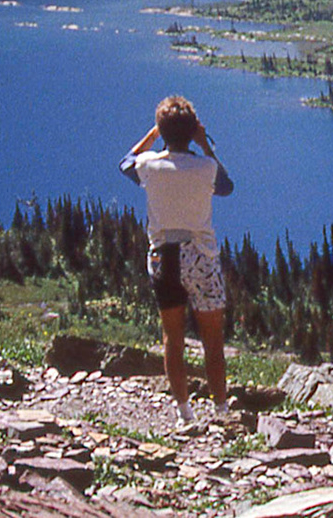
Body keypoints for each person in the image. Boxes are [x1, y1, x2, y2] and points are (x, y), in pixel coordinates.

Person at [120, 95, 235, 424]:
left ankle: (185, 412)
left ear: (162, 129)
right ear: (193, 130)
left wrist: (153, 135)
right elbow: (226, 187)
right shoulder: (206, 167)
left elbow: (125, 161)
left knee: (173, 337)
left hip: (163, 257)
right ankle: (221, 411)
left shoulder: (149, 166)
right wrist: (205, 144)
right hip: (201, 256)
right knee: (212, 339)